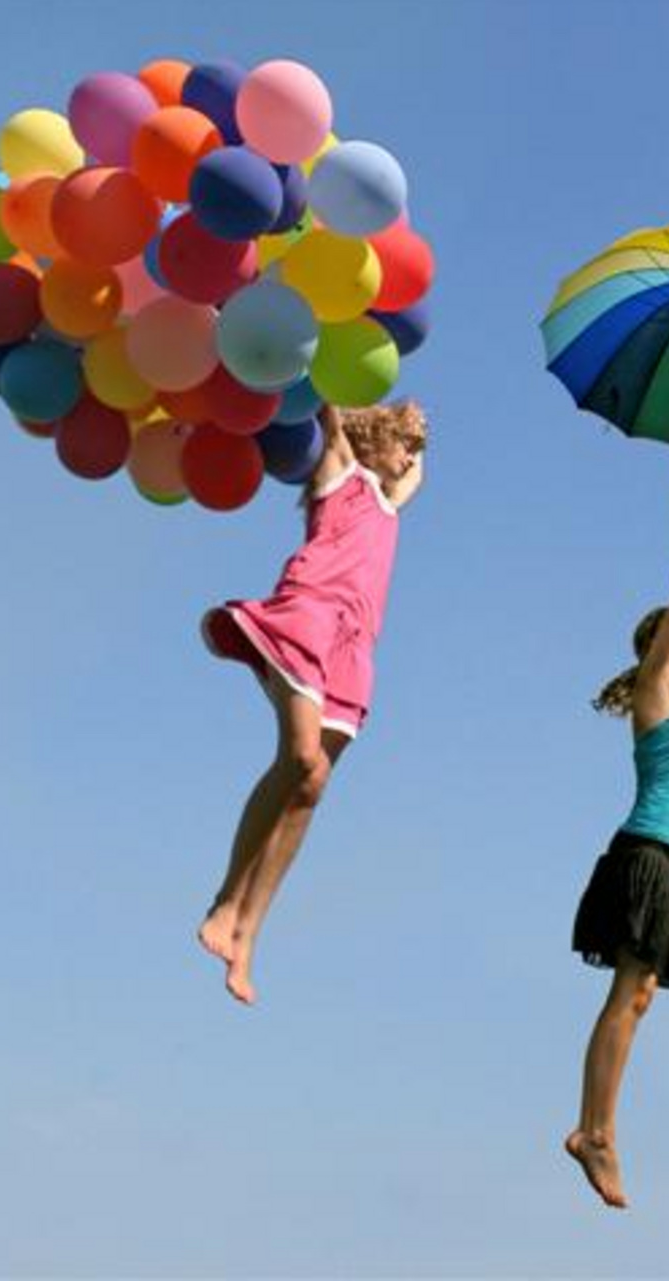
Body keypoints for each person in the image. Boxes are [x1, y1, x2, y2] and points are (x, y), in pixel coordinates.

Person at [197, 399, 428, 1005]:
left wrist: (415, 427)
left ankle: (248, 935)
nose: (411, 458)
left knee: (313, 785)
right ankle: (226, 900)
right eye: (404, 445)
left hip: (355, 648)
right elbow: (324, 399)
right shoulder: (341, 470)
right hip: (308, 618)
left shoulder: (391, 504)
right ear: (372, 441)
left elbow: (416, 473)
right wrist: (348, 404)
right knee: (300, 758)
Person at [565, 468, 669, 1208]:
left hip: (662, 862)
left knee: (640, 993)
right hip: (644, 854)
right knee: (630, 992)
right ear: (659, 641)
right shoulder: (657, 684)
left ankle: (596, 1128)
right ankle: (595, 1132)